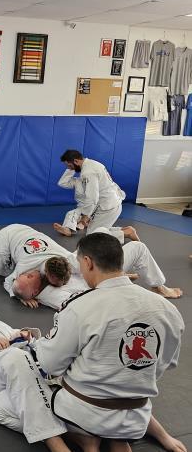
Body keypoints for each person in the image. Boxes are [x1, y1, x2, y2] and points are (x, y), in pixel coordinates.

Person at [0, 302, 186, 452]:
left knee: (92, 374)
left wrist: (23, 333)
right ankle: (62, 443)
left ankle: (92, 434)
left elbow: (10, 331)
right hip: (0, 365)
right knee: (14, 359)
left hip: (34, 356)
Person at [33, 233, 185, 450]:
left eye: (80, 264)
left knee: (27, 384)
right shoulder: (169, 310)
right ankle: (120, 438)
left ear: (88, 262)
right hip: (135, 417)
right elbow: (165, 364)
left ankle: (88, 440)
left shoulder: (80, 306)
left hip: (83, 412)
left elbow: (49, 365)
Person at [13, 229, 183, 308]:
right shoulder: (50, 295)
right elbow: (82, 305)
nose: (28, 274)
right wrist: (21, 296)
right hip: (103, 279)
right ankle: (120, 269)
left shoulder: (42, 268)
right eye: (28, 278)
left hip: (99, 265)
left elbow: (12, 281)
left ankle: (158, 286)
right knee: (102, 234)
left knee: (138, 247)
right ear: (34, 292)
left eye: (26, 275)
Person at [57, 150, 125, 234]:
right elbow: (62, 183)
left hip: (108, 206)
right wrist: (73, 168)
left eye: (69, 166)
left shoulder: (88, 172)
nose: (69, 168)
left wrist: (86, 216)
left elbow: (92, 197)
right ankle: (124, 231)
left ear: (76, 161)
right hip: (107, 204)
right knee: (94, 232)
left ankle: (126, 232)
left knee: (93, 236)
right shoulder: (92, 164)